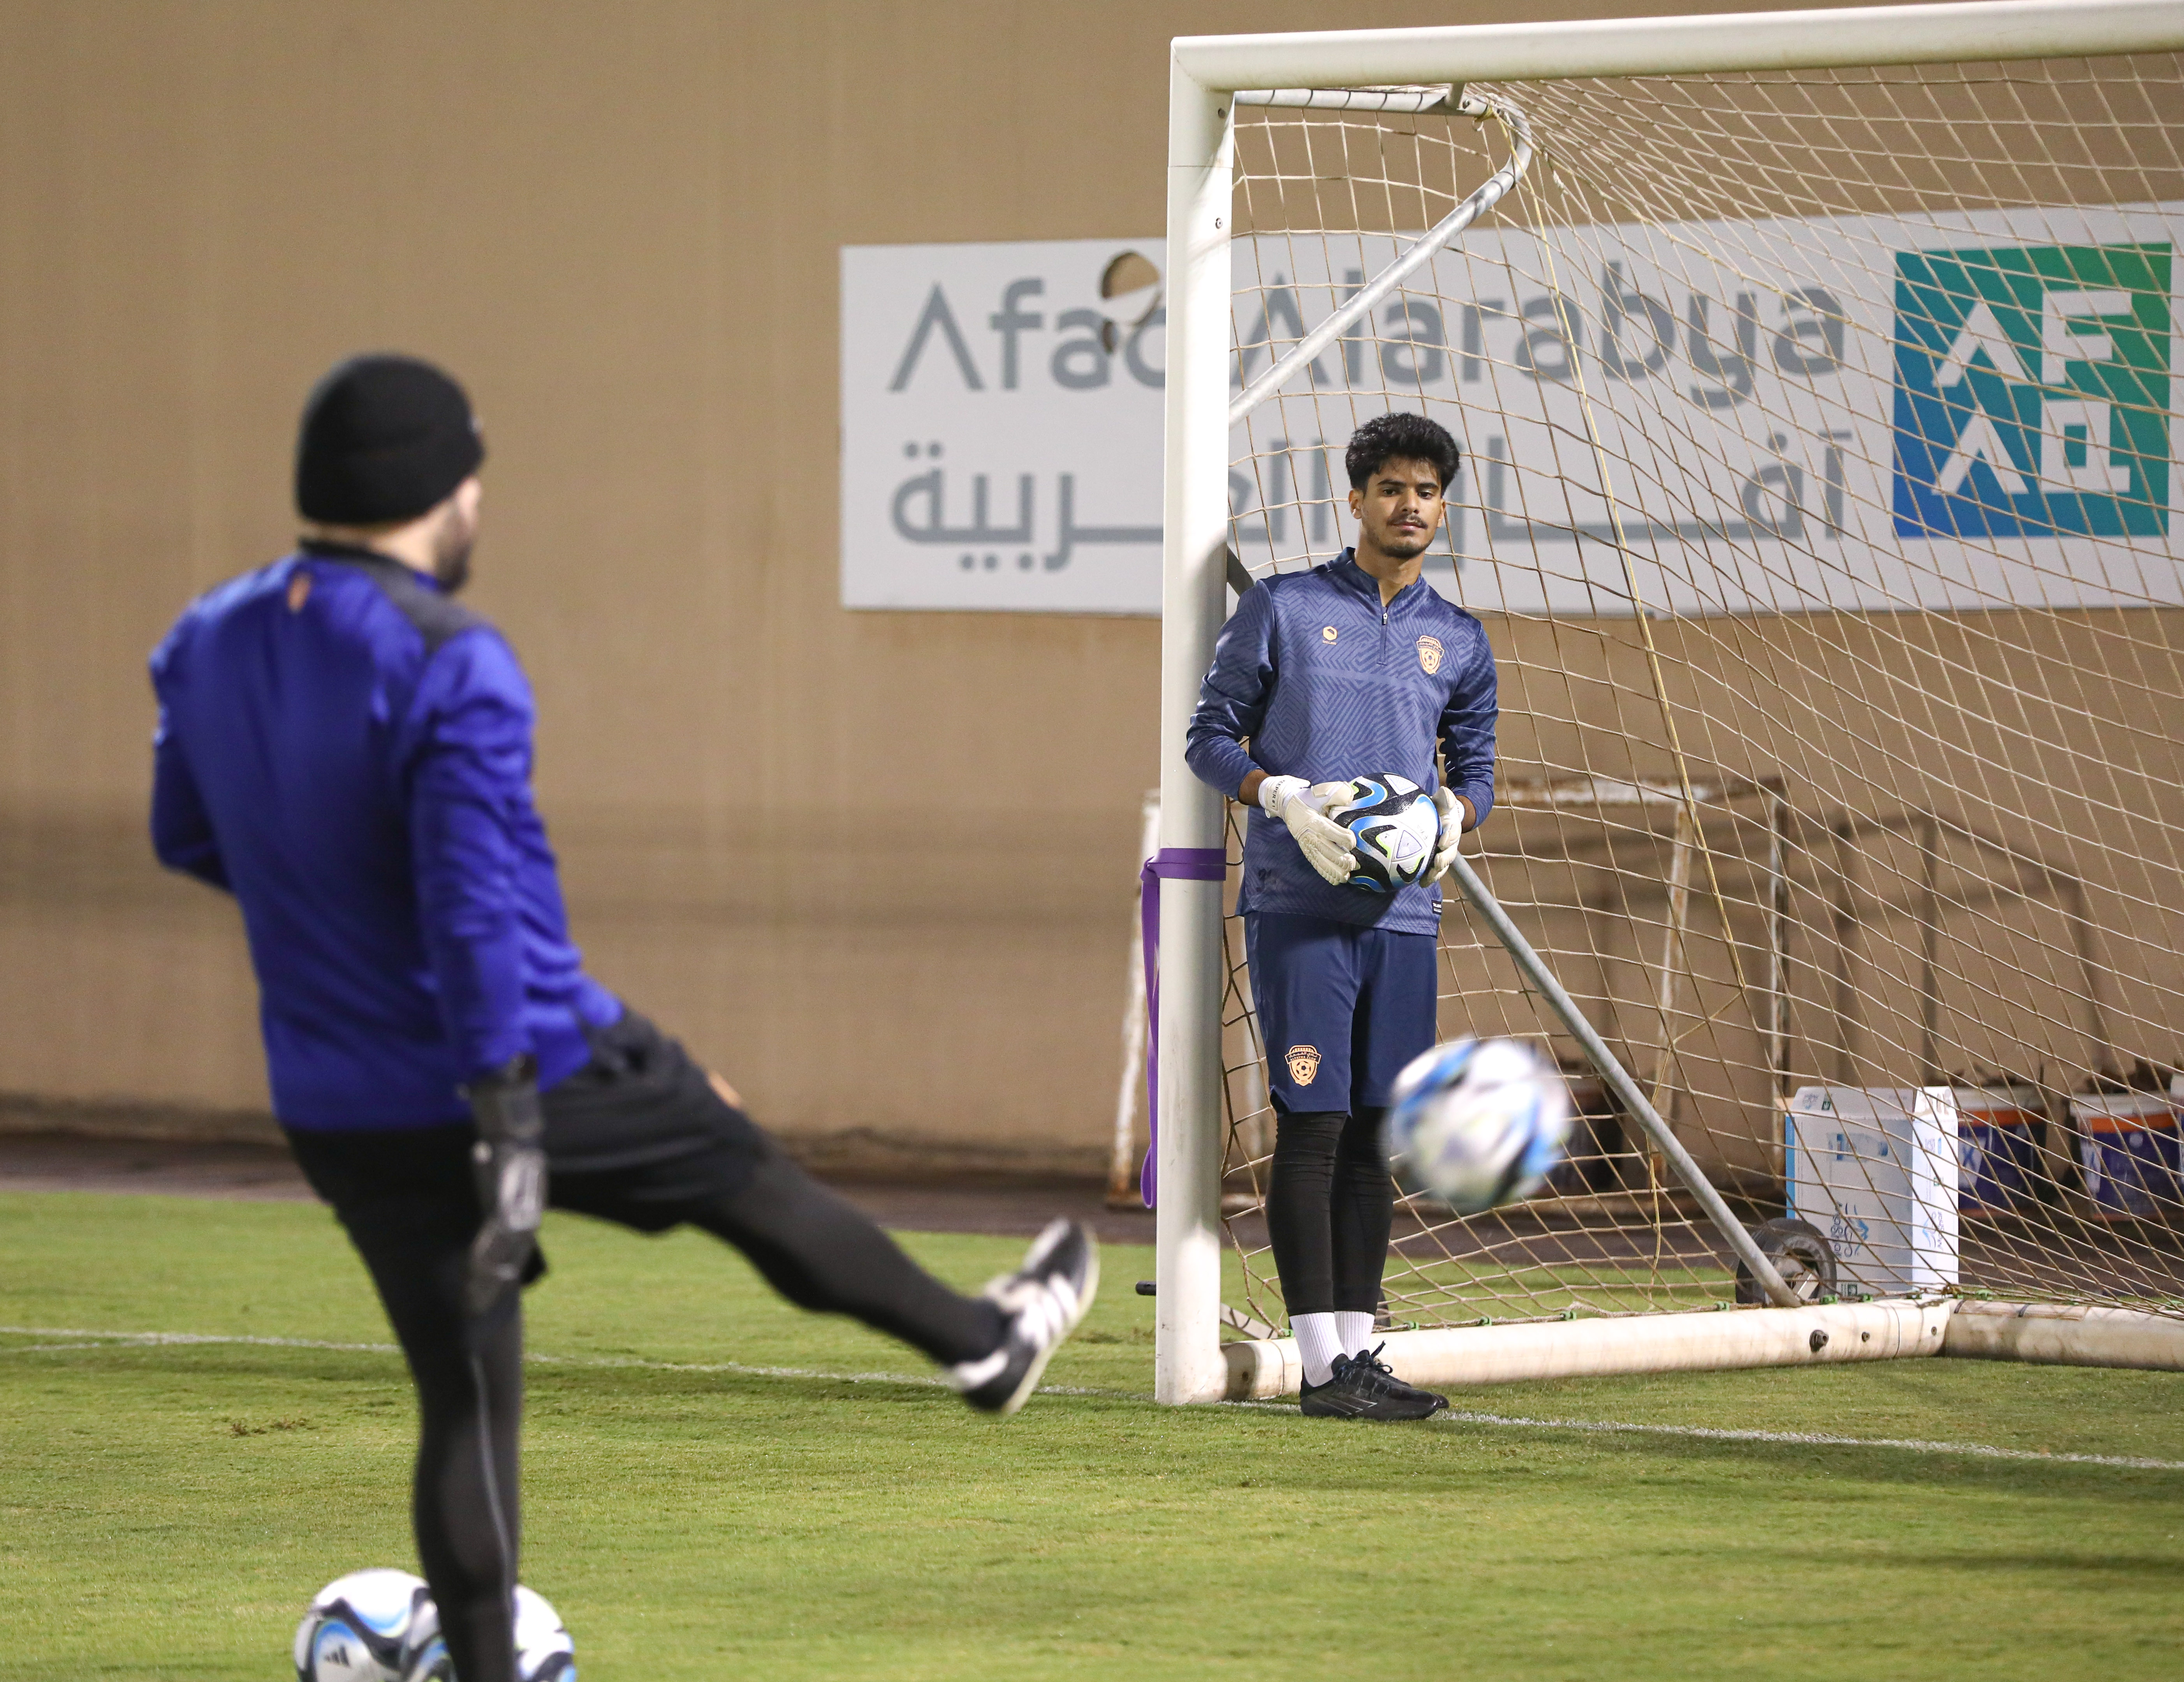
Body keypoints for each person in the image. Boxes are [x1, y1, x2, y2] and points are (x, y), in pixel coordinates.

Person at [148, 353, 1098, 1682]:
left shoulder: (206, 633)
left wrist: (333, 916)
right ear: (442, 489)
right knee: (741, 1168)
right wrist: (510, 1117)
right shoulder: (451, 656)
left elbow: (185, 835)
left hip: (334, 1098)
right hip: (518, 1061)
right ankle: (986, 1344)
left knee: (465, 1400)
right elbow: (474, 914)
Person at [1186, 411, 1496, 1421]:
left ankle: (1357, 1358)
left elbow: (1479, 769)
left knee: (1372, 1136)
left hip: (1404, 920)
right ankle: (1319, 1367)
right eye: (1392, 488)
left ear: (1442, 508)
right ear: (1354, 499)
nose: (1409, 506)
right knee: (1313, 1128)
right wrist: (1278, 796)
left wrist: (1457, 812)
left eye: (1427, 491)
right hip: (1298, 910)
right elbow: (1208, 738)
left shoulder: (1458, 638)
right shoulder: (1280, 609)